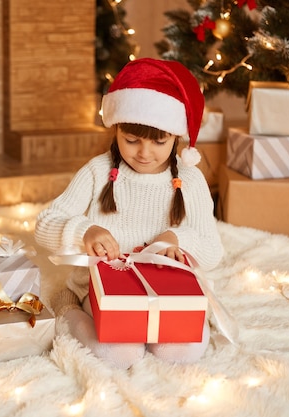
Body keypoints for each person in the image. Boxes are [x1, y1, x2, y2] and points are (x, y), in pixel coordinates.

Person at [34, 58, 223, 369]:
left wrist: (177, 238)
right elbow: (45, 224)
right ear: (116, 129)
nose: (144, 153)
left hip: (165, 292)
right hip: (105, 292)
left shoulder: (190, 180)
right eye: (131, 140)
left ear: (177, 136)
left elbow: (214, 252)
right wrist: (86, 231)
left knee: (182, 351)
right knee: (121, 353)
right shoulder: (98, 171)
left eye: (159, 141)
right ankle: (68, 308)